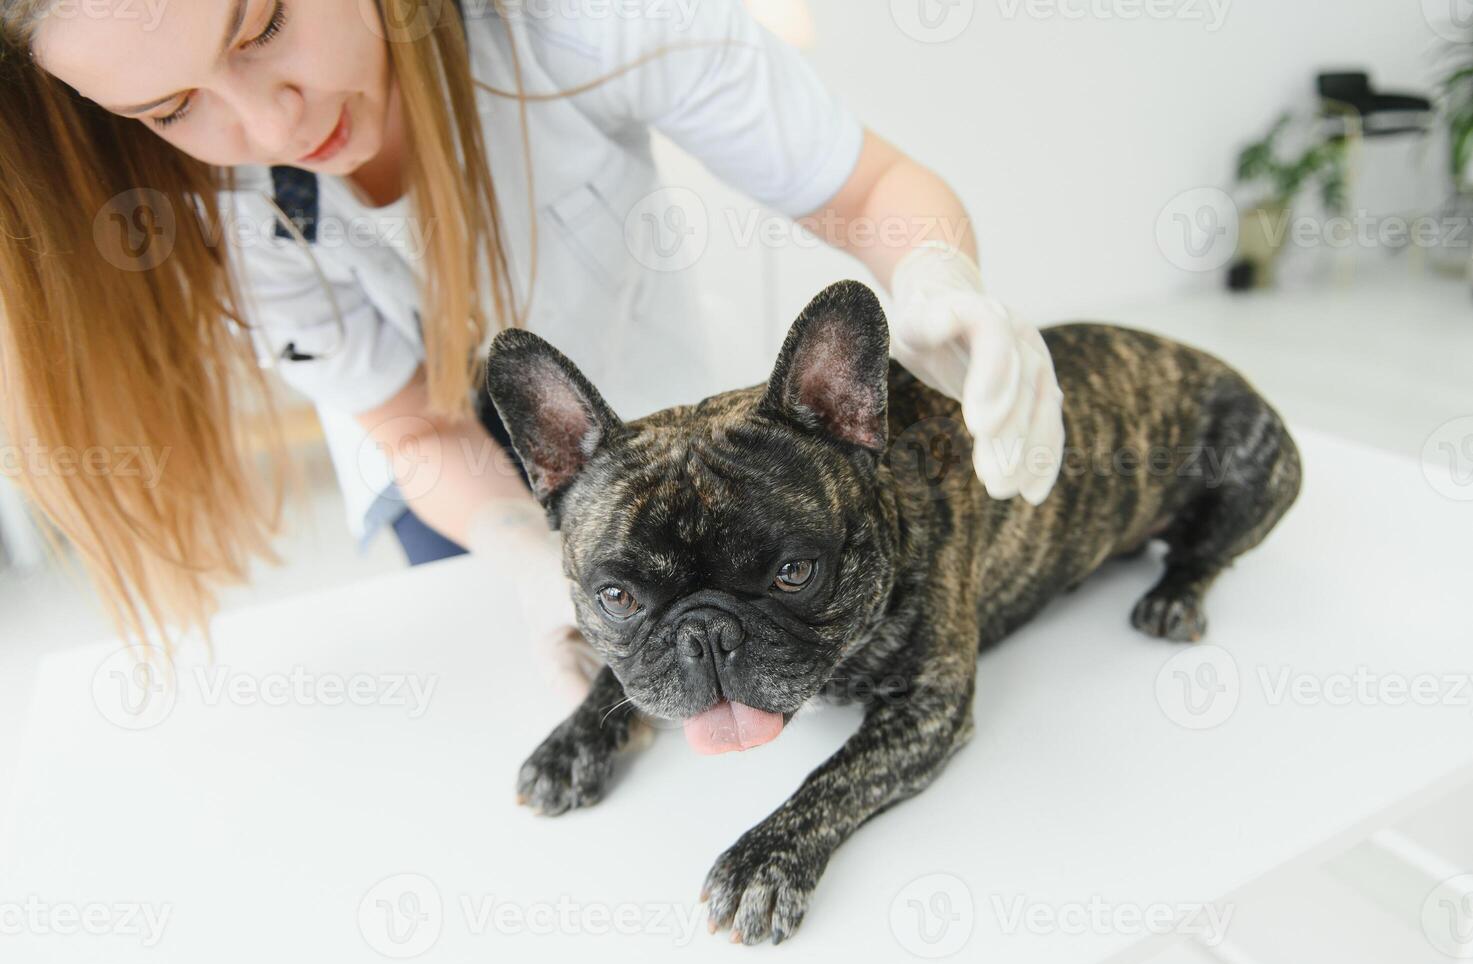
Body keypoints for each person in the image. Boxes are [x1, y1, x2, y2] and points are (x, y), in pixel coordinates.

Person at [1, 0, 1064, 695]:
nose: (274, 130)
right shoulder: (227, 214)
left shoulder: (583, 24)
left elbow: (871, 189)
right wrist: (515, 547)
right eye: (176, 105)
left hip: (657, 426)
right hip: (449, 481)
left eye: (265, 23)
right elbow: (409, 419)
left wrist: (935, 274)